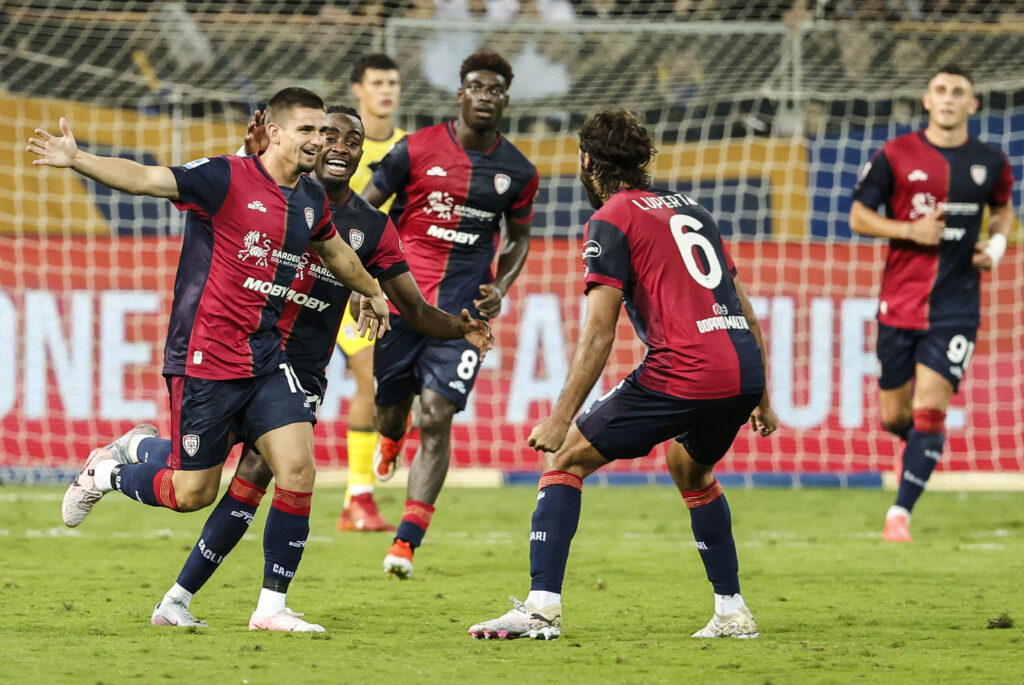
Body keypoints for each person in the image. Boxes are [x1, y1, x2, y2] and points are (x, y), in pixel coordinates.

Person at [28, 87, 391, 632]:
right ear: (273, 131)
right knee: (193, 492)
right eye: (308, 130)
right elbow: (148, 178)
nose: (318, 141)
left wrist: (371, 289)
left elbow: (335, 250)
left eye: (323, 131)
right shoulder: (226, 177)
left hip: (266, 358)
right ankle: (107, 471)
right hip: (205, 360)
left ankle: (271, 608)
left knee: (297, 468)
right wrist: (78, 159)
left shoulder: (311, 199)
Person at [139, 106, 492, 628]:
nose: (341, 147)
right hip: (234, 350)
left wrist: (459, 327)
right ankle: (136, 465)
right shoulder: (276, 193)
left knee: (274, 472)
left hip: (299, 365)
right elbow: (225, 186)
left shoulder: (371, 228)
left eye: (353, 141)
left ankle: (237, 603)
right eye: (329, 136)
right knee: (197, 487)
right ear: (310, 143)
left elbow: (412, 309)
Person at [467, 109, 778, 641]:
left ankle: (540, 609)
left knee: (566, 461)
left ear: (588, 161)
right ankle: (732, 612)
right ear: (644, 158)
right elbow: (744, 308)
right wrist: (762, 395)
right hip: (740, 367)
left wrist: (561, 417)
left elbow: (598, 334)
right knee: (690, 469)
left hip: (685, 369)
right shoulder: (693, 209)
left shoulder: (612, 217)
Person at [360, 50, 539, 579]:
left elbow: (520, 239)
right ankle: (391, 438)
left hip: (461, 318)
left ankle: (406, 542)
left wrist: (500, 285)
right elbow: (365, 211)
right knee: (390, 413)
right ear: (460, 94)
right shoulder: (412, 150)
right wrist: (363, 277)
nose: (485, 97)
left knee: (437, 416)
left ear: (506, 100)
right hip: (399, 303)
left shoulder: (518, 171)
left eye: (495, 90)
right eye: (476, 87)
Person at [850, 64, 1014, 543]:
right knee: (895, 418)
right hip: (899, 305)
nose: (948, 98)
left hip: (957, 306)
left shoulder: (990, 161)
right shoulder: (896, 154)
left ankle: (899, 513)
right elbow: (859, 215)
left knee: (929, 408)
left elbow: (1004, 209)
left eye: (958, 91)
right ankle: (921, 450)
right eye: (940, 90)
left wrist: (998, 248)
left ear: (973, 103)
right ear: (927, 99)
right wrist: (908, 230)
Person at [336, 54, 407, 533]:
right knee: (371, 377)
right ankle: (358, 497)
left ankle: (354, 498)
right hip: (334, 284)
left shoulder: (409, 150)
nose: (386, 90)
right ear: (358, 89)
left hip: (387, 285)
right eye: (377, 82)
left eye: (393, 83)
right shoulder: (337, 148)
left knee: (393, 388)